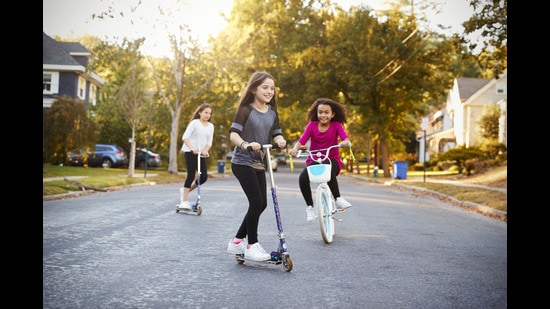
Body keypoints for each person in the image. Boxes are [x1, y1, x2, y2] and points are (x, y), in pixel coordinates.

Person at [226, 71, 287, 261]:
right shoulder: (246, 110)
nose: (270, 91)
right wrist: (245, 144)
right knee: (256, 202)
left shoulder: (272, 113)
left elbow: (276, 134)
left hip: (259, 162)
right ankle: (252, 244)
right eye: (265, 87)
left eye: (272, 88)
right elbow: (233, 134)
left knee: (262, 204)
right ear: (254, 89)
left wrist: (281, 140)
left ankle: (237, 242)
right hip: (242, 162)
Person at [289, 98, 352, 222]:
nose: (323, 115)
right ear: (316, 113)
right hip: (315, 159)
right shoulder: (312, 126)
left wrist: (345, 142)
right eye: (320, 112)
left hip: (332, 160)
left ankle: (338, 199)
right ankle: (310, 207)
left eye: (326, 112)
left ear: (332, 114)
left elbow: (346, 139)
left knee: (327, 166)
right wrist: (295, 148)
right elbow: (302, 140)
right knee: (302, 178)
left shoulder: (336, 126)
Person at [177, 103, 214, 210]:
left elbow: (209, 142)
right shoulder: (195, 123)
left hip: (201, 154)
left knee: (203, 177)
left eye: (209, 113)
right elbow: (185, 137)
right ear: (200, 113)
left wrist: (205, 150)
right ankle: (184, 201)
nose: (208, 115)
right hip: (190, 151)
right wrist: (192, 148)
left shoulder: (211, 126)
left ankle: (185, 190)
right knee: (191, 175)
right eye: (206, 112)